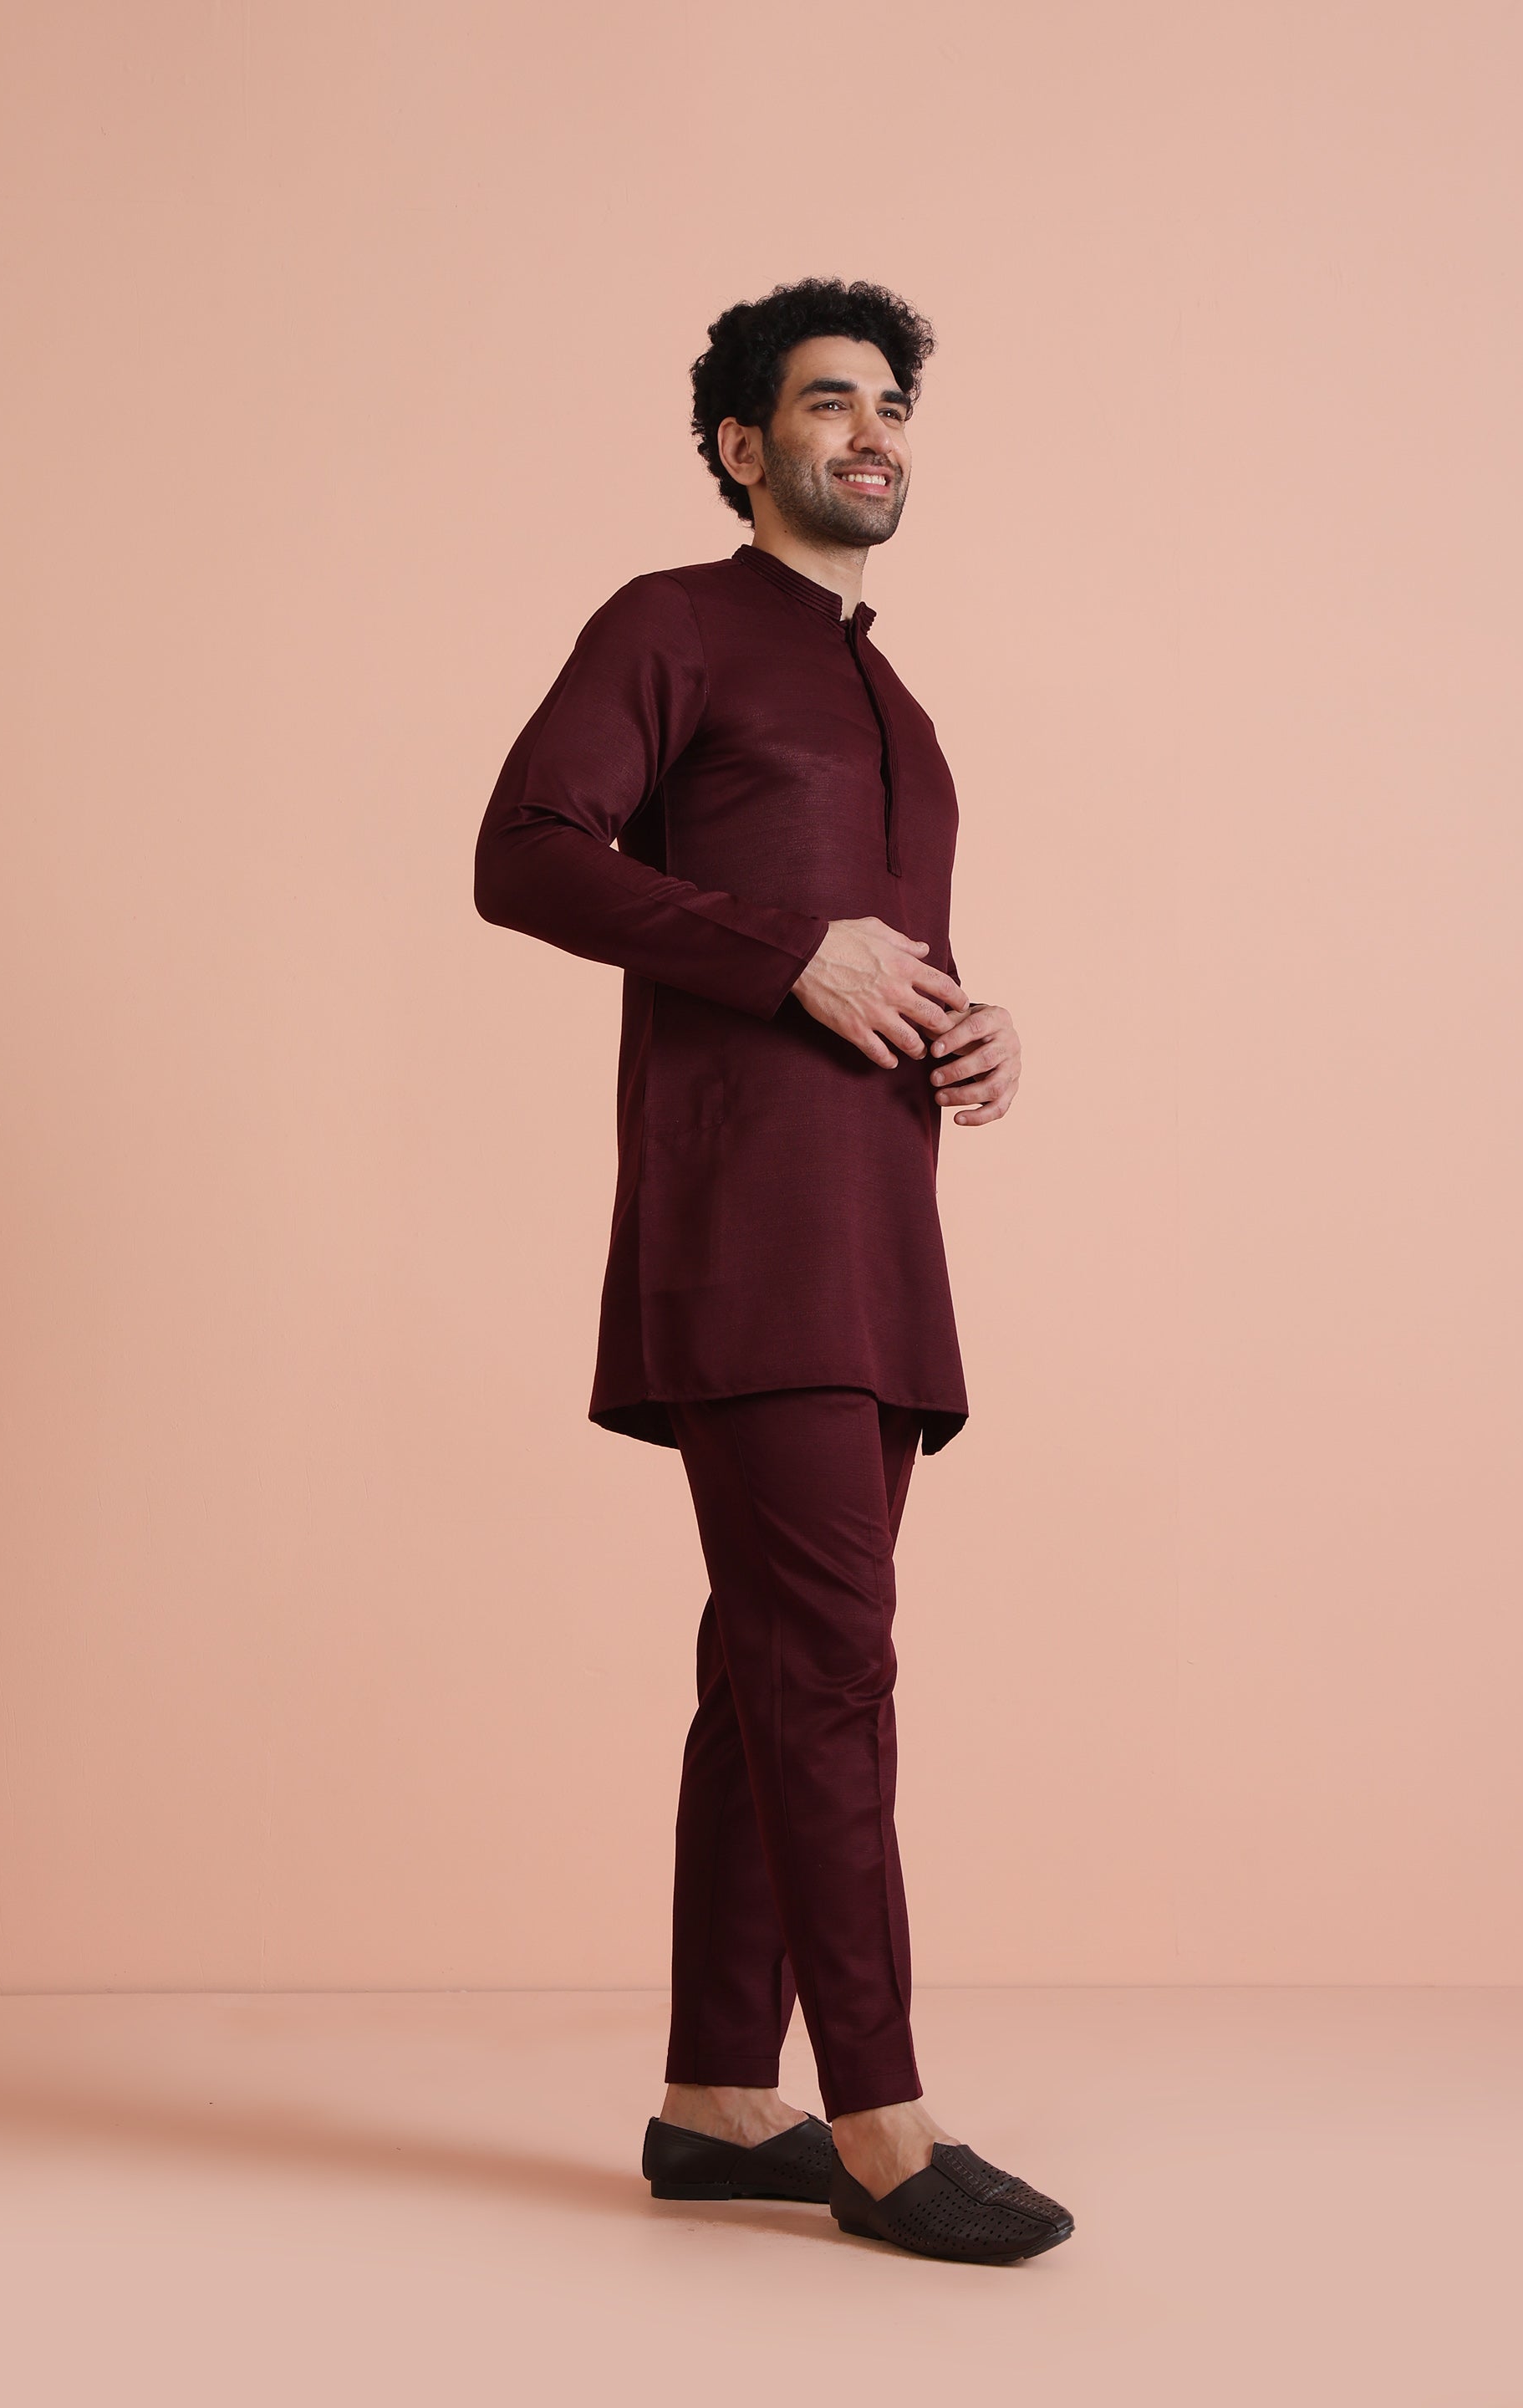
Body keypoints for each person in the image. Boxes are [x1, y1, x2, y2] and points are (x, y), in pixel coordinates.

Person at [474, 279, 1072, 2265]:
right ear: (743, 445)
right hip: (753, 1239)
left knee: (767, 1668)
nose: (873, 432)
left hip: (882, 1238)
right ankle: (881, 2124)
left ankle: (722, 2100)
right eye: (830, 403)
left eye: (892, 403)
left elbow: (876, 954)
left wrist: (967, 1024)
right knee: (827, 1667)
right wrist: (786, 953)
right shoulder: (669, 624)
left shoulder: (898, 701)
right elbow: (525, 851)